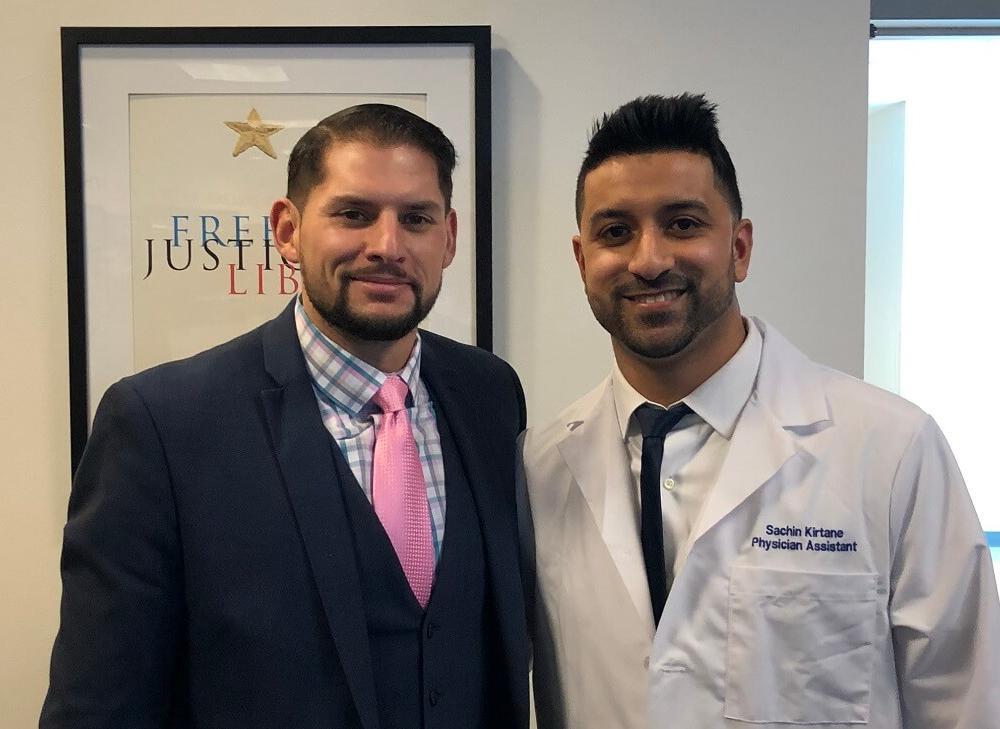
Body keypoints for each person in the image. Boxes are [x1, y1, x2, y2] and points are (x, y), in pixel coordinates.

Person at [519, 93, 1000, 729]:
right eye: (615, 232)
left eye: (684, 223)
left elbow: (964, 701)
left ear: (739, 248)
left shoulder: (891, 449)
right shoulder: (539, 467)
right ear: (583, 262)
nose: (649, 259)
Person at [42, 104, 529, 729]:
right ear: (288, 230)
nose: (388, 245)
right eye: (354, 214)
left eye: (416, 219)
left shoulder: (489, 393)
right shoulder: (162, 424)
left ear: (450, 237)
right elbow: (98, 707)